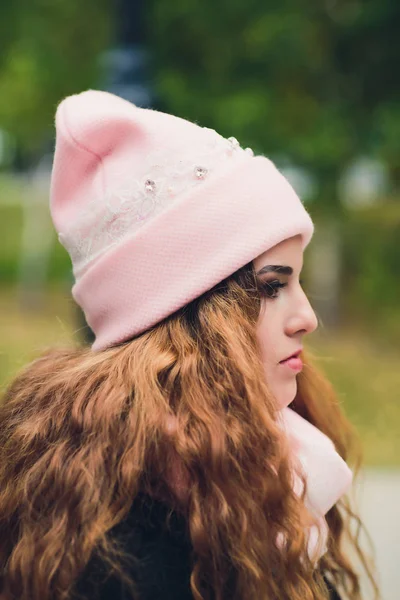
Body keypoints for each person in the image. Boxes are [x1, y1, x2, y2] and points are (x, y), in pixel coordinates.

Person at [0, 91, 379, 600]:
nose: (306, 318)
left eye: (298, 282)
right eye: (271, 286)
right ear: (183, 317)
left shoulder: (278, 462)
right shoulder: (125, 550)